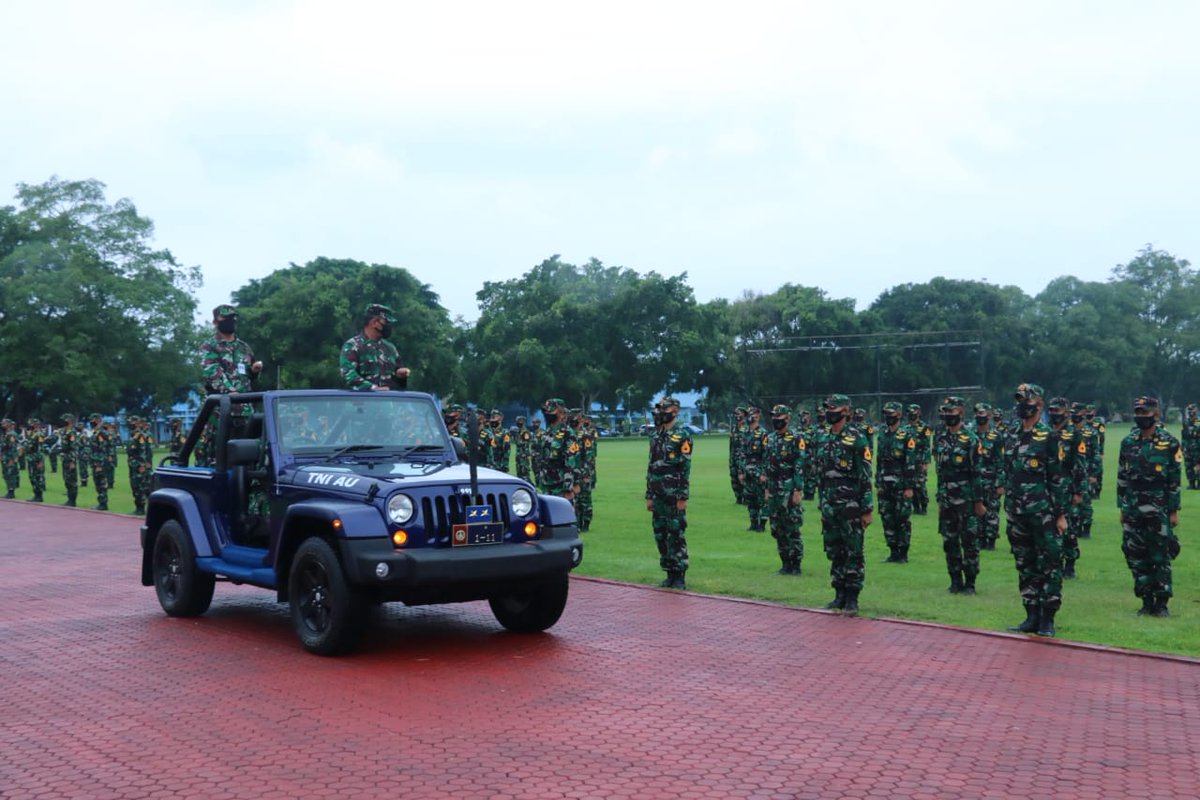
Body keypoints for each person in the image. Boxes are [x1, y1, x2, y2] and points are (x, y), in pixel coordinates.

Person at [1001, 383, 1068, 637]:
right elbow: (1008, 472)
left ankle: (1048, 618)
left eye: (1026, 400)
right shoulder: (1012, 434)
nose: (1021, 405)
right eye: (1019, 400)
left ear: (1039, 403)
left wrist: (1060, 515)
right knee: (1025, 563)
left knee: (1049, 563)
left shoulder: (1048, 436)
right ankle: (1031, 615)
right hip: (1017, 512)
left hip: (1043, 511)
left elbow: (1056, 478)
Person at [1117, 396, 1182, 617]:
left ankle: (1162, 602)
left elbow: (1174, 480)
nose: (1141, 417)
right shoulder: (1128, 442)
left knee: (1160, 555)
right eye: (1138, 413)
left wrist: (1173, 510)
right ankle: (1146, 599)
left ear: (1156, 414)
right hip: (1134, 507)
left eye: (1145, 413)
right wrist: (1122, 508)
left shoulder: (1169, 442)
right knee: (1134, 553)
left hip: (1158, 508)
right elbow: (1122, 478)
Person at [814, 393, 874, 615]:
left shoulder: (857, 438)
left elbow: (865, 476)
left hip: (851, 507)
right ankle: (838, 594)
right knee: (834, 550)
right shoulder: (824, 438)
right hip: (830, 506)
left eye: (834, 408)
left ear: (845, 411)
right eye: (828, 408)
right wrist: (822, 505)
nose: (830, 412)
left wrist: (867, 509)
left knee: (853, 552)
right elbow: (821, 476)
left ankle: (852, 598)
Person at [933, 397, 985, 594]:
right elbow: (940, 472)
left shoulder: (971, 440)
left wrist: (979, 502)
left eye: (952, 412)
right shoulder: (940, 438)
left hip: (966, 499)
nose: (948, 416)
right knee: (950, 541)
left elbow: (976, 473)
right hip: (947, 499)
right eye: (946, 412)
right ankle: (955, 580)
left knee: (969, 543)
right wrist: (940, 498)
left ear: (961, 413)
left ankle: (970, 583)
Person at [646, 396, 693, 589]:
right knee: (660, 534)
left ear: (675, 411)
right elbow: (651, 466)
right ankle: (668, 572)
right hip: (657, 494)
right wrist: (649, 494)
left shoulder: (682, 435)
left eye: (665, 409)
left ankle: (679, 574)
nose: (661, 413)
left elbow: (685, 468)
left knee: (676, 533)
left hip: (673, 494)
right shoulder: (656, 435)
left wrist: (682, 496)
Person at [1046, 397, 1088, 579]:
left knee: (1068, 529)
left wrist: (1078, 491)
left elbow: (1079, 465)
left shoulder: (1074, 434)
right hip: (1048, 488)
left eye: (1058, 411)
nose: (1055, 414)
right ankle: (1054, 563)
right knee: (1049, 527)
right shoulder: (1045, 432)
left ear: (1066, 411)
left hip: (1066, 488)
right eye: (1052, 410)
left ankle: (1069, 565)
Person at [764, 404, 807, 575]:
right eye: (774, 417)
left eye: (779, 417)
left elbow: (800, 464)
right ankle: (785, 563)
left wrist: (797, 489)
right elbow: (768, 464)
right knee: (777, 527)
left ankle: (795, 564)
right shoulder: (771, 438)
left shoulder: (796, 438)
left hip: (789, 489)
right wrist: (767, 488)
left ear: (787, 418)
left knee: (792, 527)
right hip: (774, 489)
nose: (776, 420)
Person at [875, 401, 917, 563]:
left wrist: (909, 486)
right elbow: (879, 461)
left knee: (902, 518)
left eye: (891, 414)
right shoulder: (883, 434)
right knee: (887, 518)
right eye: (886, 414)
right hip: (885, 484)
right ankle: (893, 551)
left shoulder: (907, 434)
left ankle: (903, 552)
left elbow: (910, 462)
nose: (888, 417)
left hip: (901, 484)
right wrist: (878, 483)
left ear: (899, 415)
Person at [340, 303, 410, 391]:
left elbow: (400, 384)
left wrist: (401, 375)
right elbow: (348, 373)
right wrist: (373, 389)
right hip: (361, 402)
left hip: (388, 402)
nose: (389, 326)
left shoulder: (390, 348)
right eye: (386, 322)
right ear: (374, 323)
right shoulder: (353, 345)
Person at [200, 304, 263, 395]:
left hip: (245, 404)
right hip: (222, 405)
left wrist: (254, 371)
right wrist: (229, 391)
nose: (230, 320)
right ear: (215, 322)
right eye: (225, 317)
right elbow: (212, 374)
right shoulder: (209, 346)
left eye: (232, 317)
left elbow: (250, 378)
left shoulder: (244, 347)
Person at [972, 403, 1005, 551]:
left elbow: (1001, 461)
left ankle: (990, 540)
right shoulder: (970, 435)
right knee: (975, 510)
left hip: (991, 480)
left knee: (991, 511)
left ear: (989, 416)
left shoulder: (996, 436)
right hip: (975, 480)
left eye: (982, 413)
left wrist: (1000, 483)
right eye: (978, 413)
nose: (980, 416)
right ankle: (978, 538)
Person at [538, 398, 579, 502]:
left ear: (561, 412)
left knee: (563, 516)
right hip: (546, 484)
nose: (548, 414)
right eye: (547, 411)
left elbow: (571, 461)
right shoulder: (547, 432)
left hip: (560, 485)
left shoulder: (567, 433)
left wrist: (568, 487)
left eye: (551, 411)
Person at [738, 406, 769, 531]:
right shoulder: (745, 433)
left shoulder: (763, 433)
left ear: (758, 416)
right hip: (747, 470)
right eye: (748, 414)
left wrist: (764, 473)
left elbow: (767, 455)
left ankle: (762, 524)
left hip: (759, 470)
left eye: (753, 414)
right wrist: (741, 471)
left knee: (762, 499)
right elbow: (741, 454)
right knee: (750, 498)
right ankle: (753, 523)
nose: (750, 416)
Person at [907, 404, 933, 514]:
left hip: (920, 460)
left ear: (919, 413)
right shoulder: (905, 428)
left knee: (921, 484)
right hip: (909, 461)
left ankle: (924, 507)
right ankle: (915, 507)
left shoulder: (924, 427)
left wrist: (926, 462)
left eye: (914, 412)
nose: (912, 415)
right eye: (910, 413)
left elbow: (927, 446)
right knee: (911, 484)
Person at [87, 413, 111, 511]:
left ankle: (103, 504)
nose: (90, 422)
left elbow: (102, 448)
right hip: (95, 461)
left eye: (92, 420)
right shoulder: (96, 432)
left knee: (101, 482)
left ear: (97, 420)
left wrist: (99, 464)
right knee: (98, 483)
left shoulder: (101, 432)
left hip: (99, 462)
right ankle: (101, 503)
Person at [58, 413, 80, 507]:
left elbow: (74, 447)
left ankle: (72, 500)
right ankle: (69, 499)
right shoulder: (63, 431)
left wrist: (72, 461)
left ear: (69, 420)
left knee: (71, 479)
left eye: (64, 419)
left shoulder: (72, 432)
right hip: (65, 458)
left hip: (70, 458)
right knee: (66, 478)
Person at [24, 417, 47, 502]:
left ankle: (39, 496)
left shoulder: (39, 434)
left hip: (37, 459)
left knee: (37, 477)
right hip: (31, 458)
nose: (31, 425)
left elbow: (41, 448)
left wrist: (41, 461)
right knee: (32, 477)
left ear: (36, 424)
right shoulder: (32, 434)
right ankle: (36, 494)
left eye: (32, 423)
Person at [729, 407, 747, 504]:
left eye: (739, 413)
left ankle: (746, 498)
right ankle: (738, 498)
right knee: (734, 478)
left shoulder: (747, 427)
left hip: (743, 458)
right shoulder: (734, 427)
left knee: (743, 478)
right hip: (733, 457)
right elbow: (731, 444)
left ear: (744, 414)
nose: (737, 416)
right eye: (736, 414)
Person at [2, 418, 21, 499]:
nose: (3, 424)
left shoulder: (11, 434)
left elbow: (13, 447)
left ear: (9, 424)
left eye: (4, 423)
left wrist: (12, 459)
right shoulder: (7, 433)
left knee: (10, 474)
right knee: (6, 474)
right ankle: (9, 491)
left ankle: (11, 492)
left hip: (9, 458)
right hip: (6, 457)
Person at [1182, 403, 1200, 490]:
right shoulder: (1186, 423)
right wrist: (1182, 448)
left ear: (1196, 411)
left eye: (1192, 410)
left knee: (1198, 467)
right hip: (1188, 449)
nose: (1191, 412)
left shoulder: (1199, 422)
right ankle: (1191, 484)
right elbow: (1184, 437)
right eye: (1189, 410)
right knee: (1188, 467)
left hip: (1197, 450)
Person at [514, 416, 534, 482]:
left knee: (525, 472)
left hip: (524, 455)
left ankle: (530, 486)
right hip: (519, 455)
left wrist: (525, 455)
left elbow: (526, 443)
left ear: (523, 422)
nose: (518, 423)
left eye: (519, 421)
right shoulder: (518, 431)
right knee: (519, 472)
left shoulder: (525, 432)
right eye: (517, 421)